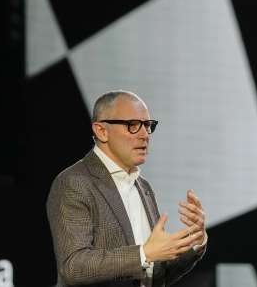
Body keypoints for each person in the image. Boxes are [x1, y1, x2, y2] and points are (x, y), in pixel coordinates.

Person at [46, 90, 207, 286]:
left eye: (148, 126)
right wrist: (144, 253)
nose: (144, 135)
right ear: (101, 131)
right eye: (133, 125)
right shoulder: (75, 182)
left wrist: (194, 242)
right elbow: (74, 266)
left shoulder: (143, 186)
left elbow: (156, 276)